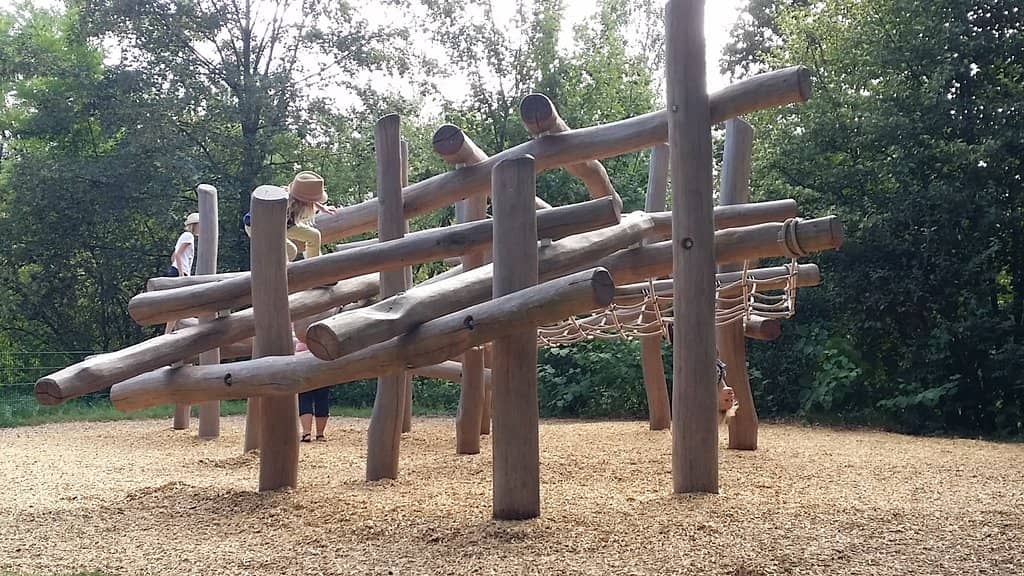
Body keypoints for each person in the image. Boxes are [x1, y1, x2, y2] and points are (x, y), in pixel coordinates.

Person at [242, 171, 337, 261]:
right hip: (259, 228)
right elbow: (274, 233)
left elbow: (309, 199)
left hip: (284, 225)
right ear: (304, 202)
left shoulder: (298, 199)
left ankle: (314, 264)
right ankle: (274, 272)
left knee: (314, 236)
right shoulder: (284, 207)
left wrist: (323, 208)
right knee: (290, 251)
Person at [167, 213, 199, 277]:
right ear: (194, 225)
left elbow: (173, 256)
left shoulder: (184, 235)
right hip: (181, 271)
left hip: (176, 270)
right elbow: (178, 254)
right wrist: (181, 274)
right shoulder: (189, 236)